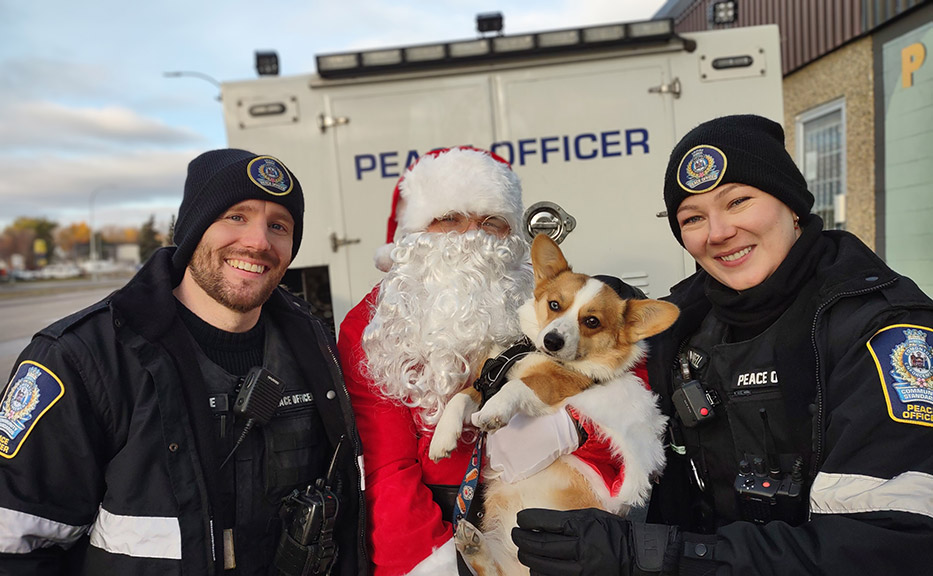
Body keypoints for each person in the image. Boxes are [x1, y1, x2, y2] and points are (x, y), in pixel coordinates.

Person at [511, 114, 933, 574]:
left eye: (737, 202)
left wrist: (654, 556)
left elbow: (895, 544)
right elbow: (614, 320)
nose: (718, 233)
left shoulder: (881, 329)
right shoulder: (694, 315)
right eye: (693, 218)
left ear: (792, 205)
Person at [0, 149, 367, 575]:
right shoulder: (82, 359)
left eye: (278, 226)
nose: (259, 241)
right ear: (193, 228)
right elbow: (16, 548)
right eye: (236, 216)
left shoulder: (315, 344)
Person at [337, 146, 641, 575]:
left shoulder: (546, 299)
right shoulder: (371, 324)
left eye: (491, 222)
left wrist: (574, 430)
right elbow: (387, 469)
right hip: (444, 522)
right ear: (414, 234)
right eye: (450, 219)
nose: (471, 236)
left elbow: (626, 379)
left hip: (559, 513)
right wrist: (435, 563)